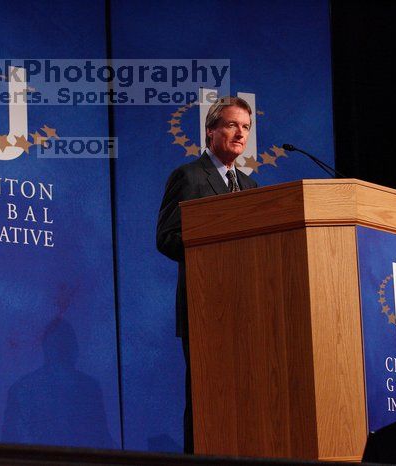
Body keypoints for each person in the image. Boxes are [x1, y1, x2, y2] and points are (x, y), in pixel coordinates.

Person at [156, 96, 258, 453]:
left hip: (246, 308)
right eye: (231, 125)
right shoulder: (189, 176)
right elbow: (166, 238)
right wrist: (211, 246)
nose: (240, 134)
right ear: (211, 131)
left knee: (245, 398)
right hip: (204, 306)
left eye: (245, 127)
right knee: (206, 397)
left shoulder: (249, 187)